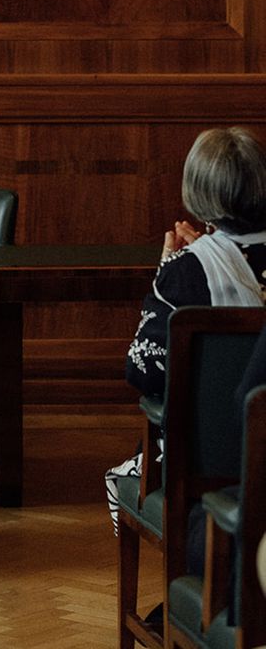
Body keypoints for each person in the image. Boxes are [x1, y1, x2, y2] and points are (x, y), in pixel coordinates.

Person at [105, 126, 266, 532]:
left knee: (125, 472)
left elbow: (144, 372)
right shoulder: (191, 267)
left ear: (197, 191)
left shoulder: (186, 272)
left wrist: (169, 270)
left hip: (211, 460)